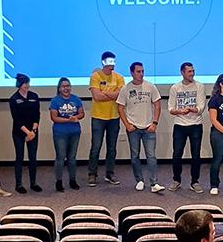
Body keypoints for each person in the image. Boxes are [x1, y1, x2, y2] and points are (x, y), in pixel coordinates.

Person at [117, 62, 164, 193]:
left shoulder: (150, 86)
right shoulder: (125, 89)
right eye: (138, 71)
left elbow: (157, 105)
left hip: (149, 127)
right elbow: (120, 108)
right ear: (132, 73)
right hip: (133, 128)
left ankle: (154, 183)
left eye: (142, 71)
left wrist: (155, 123)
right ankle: (139, 180)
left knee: (151, 156)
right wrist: (127, 125)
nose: (141, 74)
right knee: (135, 156)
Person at [168, 62, 206, 194]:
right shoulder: (175, 88)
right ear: (182, 72)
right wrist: (180, 111)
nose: (192, 73)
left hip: (196, 125)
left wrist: (193, 109)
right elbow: (171, 109)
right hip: (180, 125)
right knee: (177, 154)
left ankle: (195, 181)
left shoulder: (199, 86)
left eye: (193, 71)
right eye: (189, 71)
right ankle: (176, 180)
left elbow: (201, 107)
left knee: (196, 155)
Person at [87, 51, 125, 187]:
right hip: (98, 117)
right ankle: (92, 174)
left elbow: (120, 95)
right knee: (96, 147)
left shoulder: (119, 78)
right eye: (109, 61)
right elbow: (97, 97)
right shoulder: (95, 76)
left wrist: (104, 93)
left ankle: (110, 173)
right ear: (103, 62)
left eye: (114, 61)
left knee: (112, 148)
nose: (112, 64)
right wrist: (112, 94)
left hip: (114, 117)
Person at [49, 77, 84, 192]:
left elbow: (81, 114)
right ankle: (59, 182)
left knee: (72, 158)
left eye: (68, 86)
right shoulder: (55, 101)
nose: (66, 88)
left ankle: (72, 180)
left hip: (75, 132)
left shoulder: (76, 99)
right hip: (60, 133)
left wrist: (76, 117)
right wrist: (69, 120)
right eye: (63, 86)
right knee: (60, 157)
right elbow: (54, 117)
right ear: (59, 88)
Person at [9, 73, 41, 194]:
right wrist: (27, 133)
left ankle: (33, 183)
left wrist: (33, 130)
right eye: (25, 83)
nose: (27, 85)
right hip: (19, 132)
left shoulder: (34, 96)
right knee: (19, 157)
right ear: (20, 84)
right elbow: (16, 119)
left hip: (33, 131)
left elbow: (37, 115)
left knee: (33, 158)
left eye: (28, 83)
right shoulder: (14, 99)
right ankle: (19, 184)